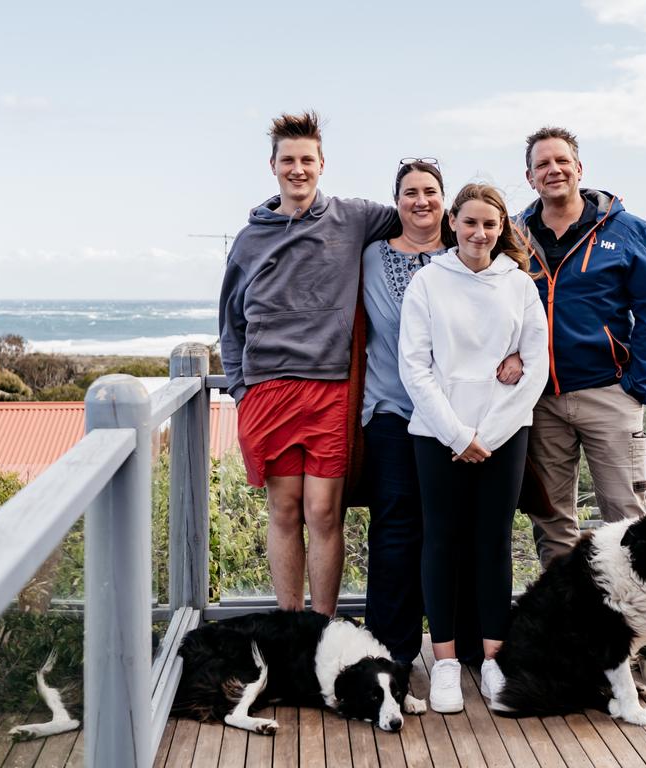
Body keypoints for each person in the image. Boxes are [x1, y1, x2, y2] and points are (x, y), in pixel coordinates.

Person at [511, 126, 646, 684]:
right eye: (542, 164)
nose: (553, 170)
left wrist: (637, 385)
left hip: (609, 394)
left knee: (630, 523)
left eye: (563, 161)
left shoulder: (628, 231)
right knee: (552, 523)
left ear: (579, 169)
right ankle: (575, 641)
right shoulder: (515, 237)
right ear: (530, 176)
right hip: (539, 401)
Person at [218, 111, 397, 617]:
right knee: (284, 509)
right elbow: (230, 323)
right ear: (273, 166)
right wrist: (240, 389)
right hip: (267, 391)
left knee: (323, 511)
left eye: (307, 160)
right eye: (288, 160)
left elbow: (423, 216)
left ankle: (320, 630)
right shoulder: (249, 239)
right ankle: (291, 627)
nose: (298, 169)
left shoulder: (355, 216)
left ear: (323, 164)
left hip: (330, 389)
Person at [361, 161, 524, 665]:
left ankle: (474, 648)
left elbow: (510, 323)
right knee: (397, 528)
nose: (421, 201)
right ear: (397, 202)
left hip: (464, 419)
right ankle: (393, 651)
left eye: (430, 191)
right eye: (410, 193)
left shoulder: (474, 260)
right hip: (394, 408)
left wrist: (517, 354)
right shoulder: (372, 258)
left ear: (447, 207)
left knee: (468, 530)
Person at [399, 182, 548, 713]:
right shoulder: (427, 283)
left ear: (502, 227)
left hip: (504, 436)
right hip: (438, 435)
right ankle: (442, 663)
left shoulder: (520, 286)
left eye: (490, 224)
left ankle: (491, 660)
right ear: (453, 224)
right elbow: (414, 366)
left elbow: (535, 366)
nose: (479, 233)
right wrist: (459, 436)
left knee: (493, 543)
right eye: (469, 223)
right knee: (440, 542)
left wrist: (491, 435)